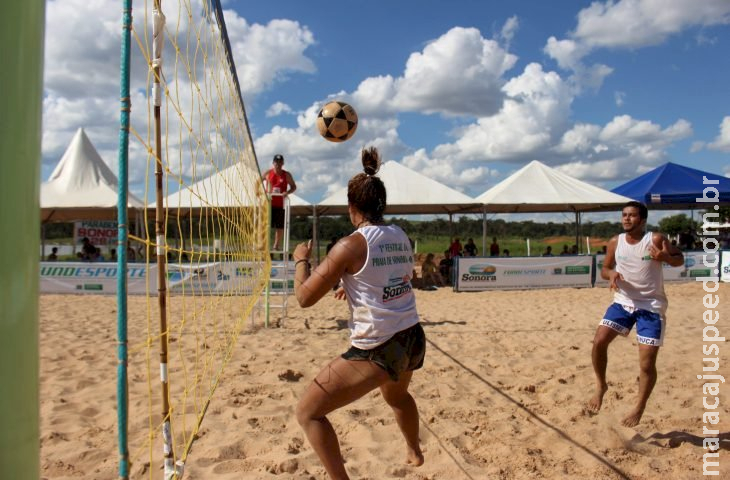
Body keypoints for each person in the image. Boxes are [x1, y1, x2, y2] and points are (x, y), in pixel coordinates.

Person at [291, 147, 425, 479]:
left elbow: (304, 297)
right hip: (413, 337)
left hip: (379, 348)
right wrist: (350, 285)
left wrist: (300, 259)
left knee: (308, 413)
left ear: (352, 209)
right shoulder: (399, 234)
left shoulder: (351, 244)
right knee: (397, 396)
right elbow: (394, 277)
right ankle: (414, 450)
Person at [587, 201, 684, 427]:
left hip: (651, 306)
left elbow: (679, 258)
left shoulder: (656, 239)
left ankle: (639, 407)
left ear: (642, 220)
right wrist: (610, 274)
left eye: (631, 216)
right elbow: (604, 269)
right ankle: (601, 385)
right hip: (623, 301)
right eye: (624, 215)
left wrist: (666, 258)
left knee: (647, 364)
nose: (626, 219)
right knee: (599, 341)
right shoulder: (615, 241)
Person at [263, 154, 297, 253]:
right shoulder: (268, 173)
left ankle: (276, 245)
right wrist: (261, 192)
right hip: (269, 203)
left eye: (280, 162)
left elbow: (294, 186)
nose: (278, 164)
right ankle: (264, 244)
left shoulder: (286, 175)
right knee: (265, 224)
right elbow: (258, 182)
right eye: (276, 162)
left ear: (283, 163)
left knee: (280, 226)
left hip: (280, 203)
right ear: (273, 163)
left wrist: (287, 192)